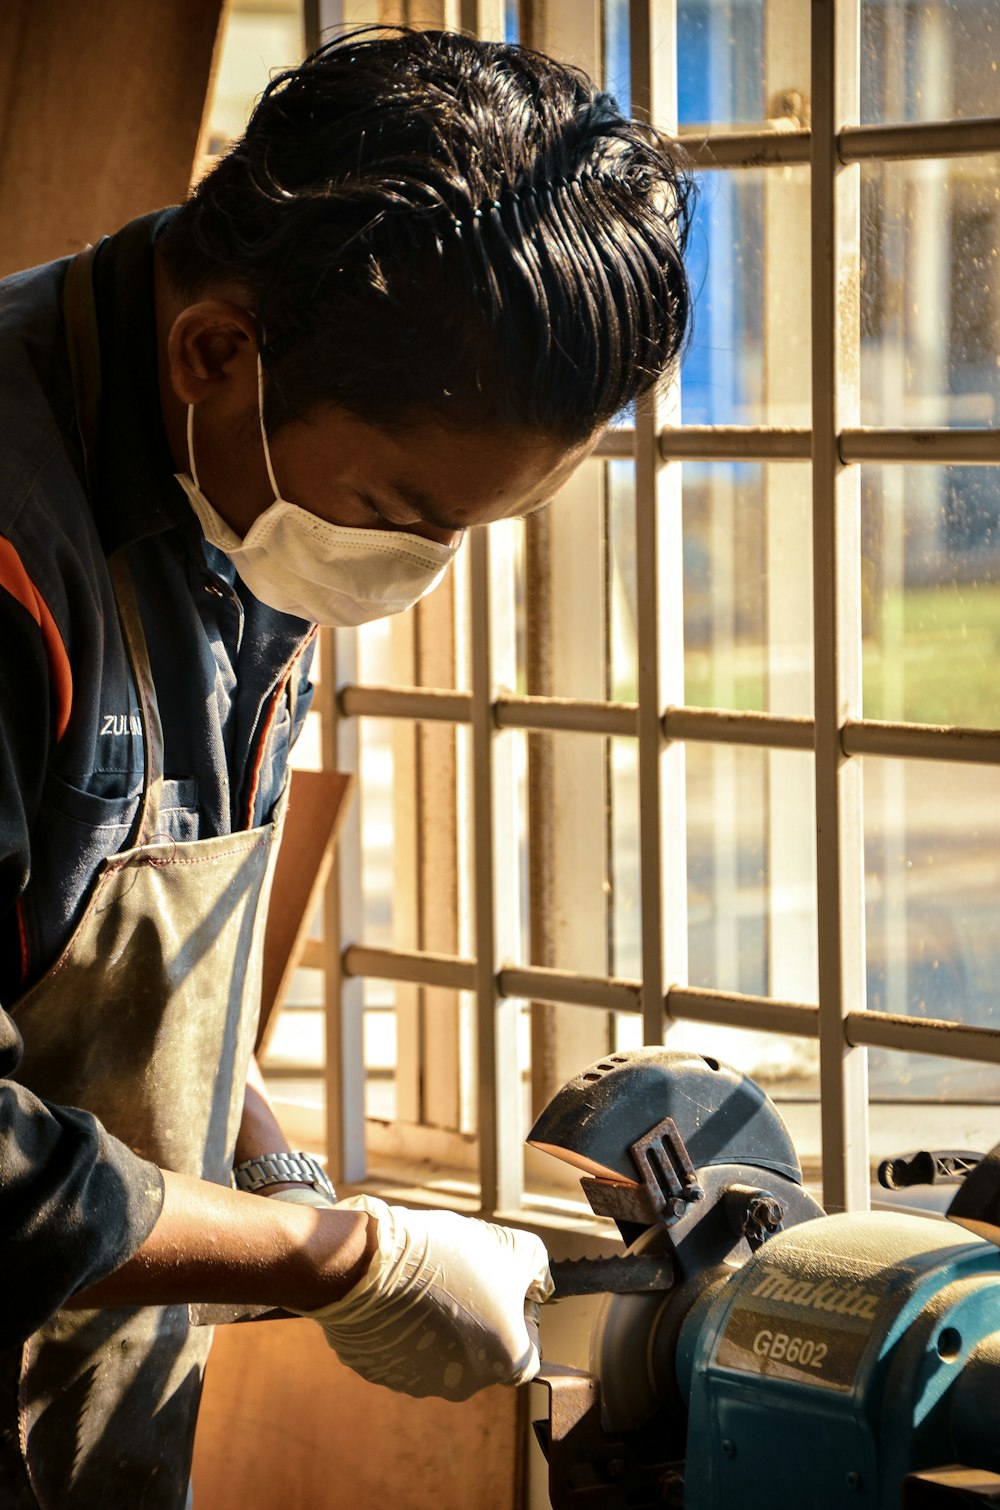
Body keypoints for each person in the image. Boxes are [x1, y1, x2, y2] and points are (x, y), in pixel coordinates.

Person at [0, 24, 693, 1509]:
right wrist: (341, 1262)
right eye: (398, 506)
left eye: (458, 532)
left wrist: (276, 1172)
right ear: (215, 349)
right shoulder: (16, 548)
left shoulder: (232, 480)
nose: (414, 568)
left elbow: (102, 962)